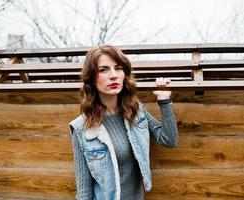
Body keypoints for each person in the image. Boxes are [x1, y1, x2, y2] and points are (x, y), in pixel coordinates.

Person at [69, 44, 179, 200]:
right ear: (92, 78)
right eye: (103, 70)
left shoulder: (136, 112)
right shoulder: (81, 128)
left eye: (118, 68)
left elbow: (170, 140)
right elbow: (84, 190)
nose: (113, 75)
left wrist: (164, 100)